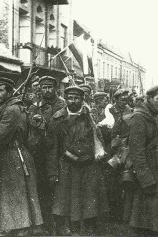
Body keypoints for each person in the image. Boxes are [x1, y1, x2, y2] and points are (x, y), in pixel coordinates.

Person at [0, 77, 43, 236]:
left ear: (9, 92)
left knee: (16, 193)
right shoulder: (9, 107)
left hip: (14, 155)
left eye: (1, 90)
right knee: (12, 193)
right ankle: (16, 226)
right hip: (10, 154)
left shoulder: (12, 110)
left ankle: (20, 227)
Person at [46, 86, 108, 235]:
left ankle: (89, 226)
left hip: (88, 164)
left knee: (89, 198)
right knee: (66, 199)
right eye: (70, 98)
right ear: (65, 99)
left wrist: (95, 156)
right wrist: (52, 171)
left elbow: (98, 139)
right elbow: (52, 147)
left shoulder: (88, 117)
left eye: (77, 98)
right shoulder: (57, 118)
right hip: (66, 164)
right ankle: (67, 228)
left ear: (82, 99)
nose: (73, 101)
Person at [27, 75, 65, 234]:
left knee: (60, 190)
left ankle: (61, 225)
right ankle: (44, 224)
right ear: (40, 89)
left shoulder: (62, 105)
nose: (47, 90)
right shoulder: (35, 106)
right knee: (42, 189)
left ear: (55, 88)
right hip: (40, 154)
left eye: (50, 87)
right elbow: (29, 125)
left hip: (60, 152)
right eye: (44, 87)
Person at [127, 85, 158, 235]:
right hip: (149, 174)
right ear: (149, 98)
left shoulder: (155, 115)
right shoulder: (139, 117)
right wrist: (146, 180)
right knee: (146, 223)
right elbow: (137, 152)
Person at [108, 89, 133, 222]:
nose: (125, 102)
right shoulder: (110, 111)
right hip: (110, 149)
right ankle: (113, 211)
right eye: (122, 99)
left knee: (125, 179)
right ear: (116, 99)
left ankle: (123, 211)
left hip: (124, 149)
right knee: (112, 182)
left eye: (126, 99)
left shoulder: (130, 111)